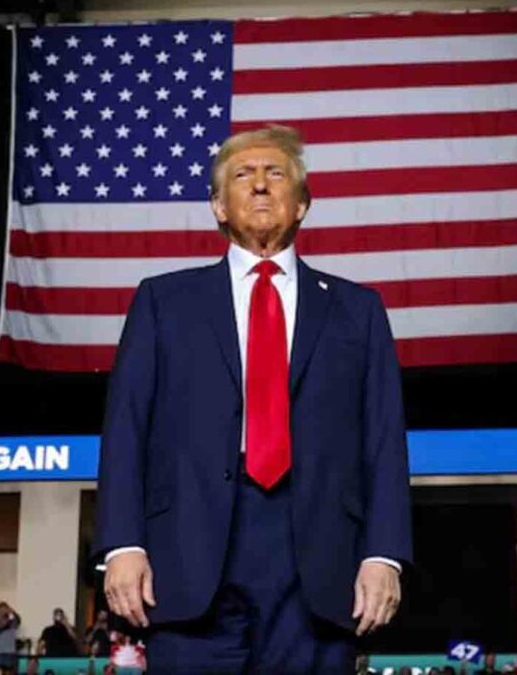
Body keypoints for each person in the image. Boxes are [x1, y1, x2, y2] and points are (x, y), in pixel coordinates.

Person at [95, 125, 413, 672]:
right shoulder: (163, 301)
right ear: (218, 206)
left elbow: (384, 440)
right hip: (187, 553)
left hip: (316, 558)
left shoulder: (358, 311)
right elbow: (126, 428)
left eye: (276, 174)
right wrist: (122, 545)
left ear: (303, 204)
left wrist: (383, 554)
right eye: (243, 175)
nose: (260, 185)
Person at [0, 601, 21, 674]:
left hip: (10, 653)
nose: (3, 612)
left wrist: (13, 612)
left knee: (10, 672)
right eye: (1, 610)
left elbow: (18, 620)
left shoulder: (12, 622)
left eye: (5, 609)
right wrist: (3, 625)